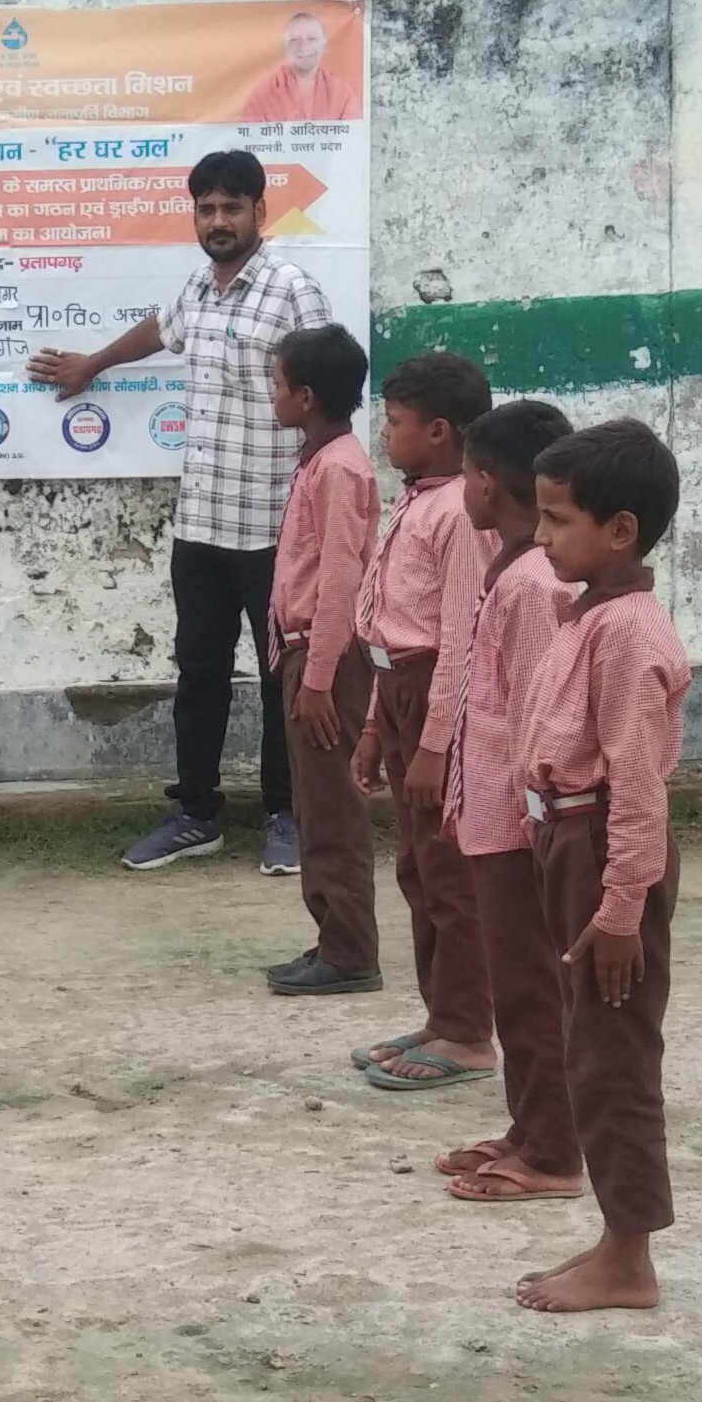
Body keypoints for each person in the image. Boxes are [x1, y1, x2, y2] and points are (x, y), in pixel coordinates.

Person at [30, 147, 328, 873]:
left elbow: (324, 394)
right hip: (200, 526)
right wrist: (93, 364)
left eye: (232, 207)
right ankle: (196, 814)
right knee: (199, 673)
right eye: (207, 208)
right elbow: (159, 329)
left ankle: (286, 813)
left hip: (274, 526)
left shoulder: (293, 291)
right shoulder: (197, 287)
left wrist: (324, 501)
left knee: (281, 675)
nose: (218, 220)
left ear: (261, 212)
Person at [510, 420, 692, 1317]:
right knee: (588, 1044)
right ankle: (618, 1235)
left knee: (613, 1053)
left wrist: (621, 908)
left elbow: (638, 784)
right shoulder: (590, 614)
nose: (540, 536)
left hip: (604, 851)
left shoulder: (627, 635)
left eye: (557, 519)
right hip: (570, 843)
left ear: (621, 530)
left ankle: (630, 1255)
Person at [432, 401, 582, 1206]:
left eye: (465, 474)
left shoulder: (531, 584)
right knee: (515, 981)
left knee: (529, 987)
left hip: (520, 824)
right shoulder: (515, 569)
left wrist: (531, 823)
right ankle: (530, 1127)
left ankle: (554, 1151)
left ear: (486, 483)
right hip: (494, 815)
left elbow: (535, 713)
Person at [352, 351, 498, 1091]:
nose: (385, 434)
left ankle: (470, 1033)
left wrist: (436, 744)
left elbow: (460, 640)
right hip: (398, 690)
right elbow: (389, 630)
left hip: (437, 699)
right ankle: (442, 1015)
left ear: (439, 431)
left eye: (395, 422)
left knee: (449, 872)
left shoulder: (460, 516)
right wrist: (375, 726)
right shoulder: (418, 500)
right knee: (416, 867)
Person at [263, 321, 383, 996]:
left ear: (306, 396)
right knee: (314, 804)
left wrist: (317, 677)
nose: (272, 395)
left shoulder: (338, 468)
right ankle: (333, 935)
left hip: (326, 659)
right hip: (308, 653)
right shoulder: (321, 461)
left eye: (278, 384)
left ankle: (350, 950)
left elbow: (341, 578)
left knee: (332, 807)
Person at [239, 6, 358, 125]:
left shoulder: (343, 95)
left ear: (324, 46)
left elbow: (355, 135)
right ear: (284, 48)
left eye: (311, 39)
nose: (303, 47)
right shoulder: (261, 97)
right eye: (294, 40)